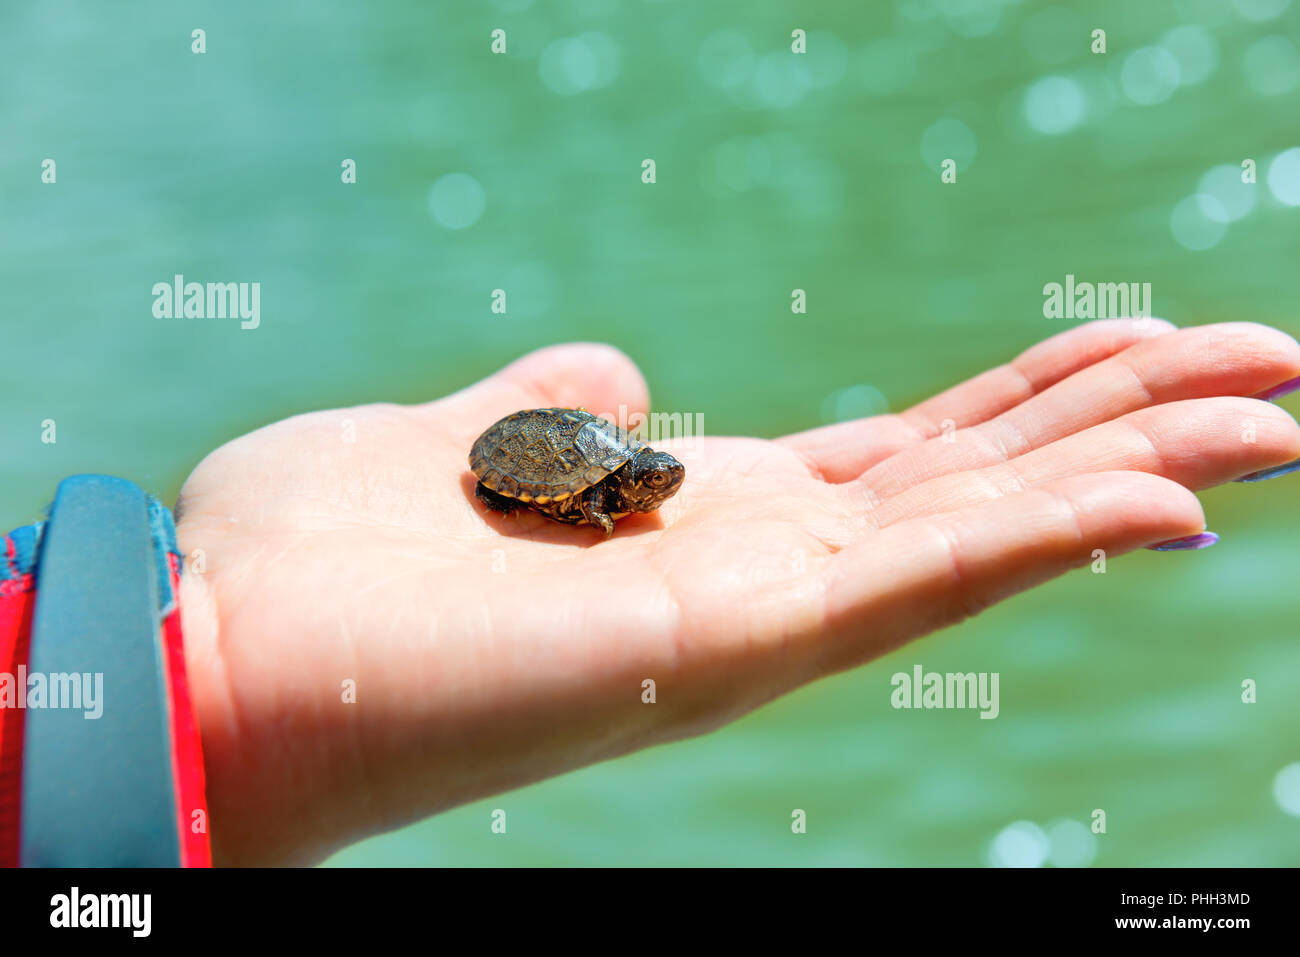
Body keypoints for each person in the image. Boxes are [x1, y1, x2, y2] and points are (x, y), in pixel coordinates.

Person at [8, 318, 1300, 865]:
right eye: (647, 478)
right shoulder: (583, 489)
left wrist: (212, 686)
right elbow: (520, 474)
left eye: (646, 476)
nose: (653, 485)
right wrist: (213, 668)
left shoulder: (627, 482)